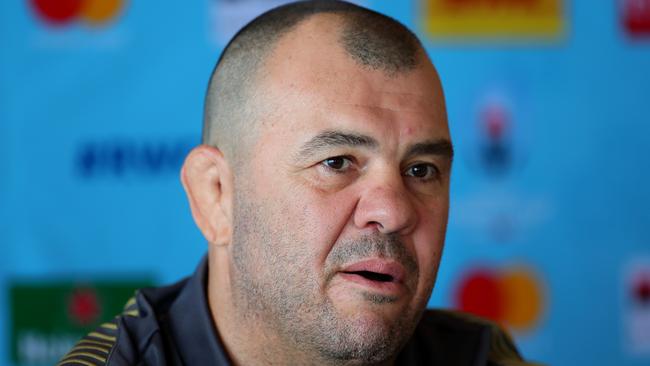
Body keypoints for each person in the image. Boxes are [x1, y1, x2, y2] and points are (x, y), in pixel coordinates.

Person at [60, 1, 537, 365]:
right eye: (337, 162)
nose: (393, 212)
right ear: (216, 196)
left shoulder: (479, 356)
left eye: (421, 170)